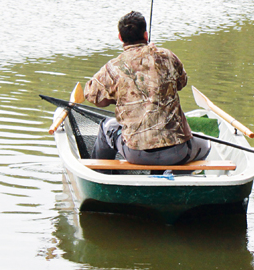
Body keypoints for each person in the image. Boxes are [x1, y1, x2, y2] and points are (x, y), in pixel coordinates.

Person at [84, 11, 210, 166]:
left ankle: (100, 175)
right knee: (206, 145)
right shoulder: (168, 56)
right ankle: (175, 179)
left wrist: (118, 96)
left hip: (136, 154)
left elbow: (93, 97)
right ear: (145, 35)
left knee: (107, 126)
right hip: (177, 152)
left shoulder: (113, 67)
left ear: (120, 37)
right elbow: (181, 83)